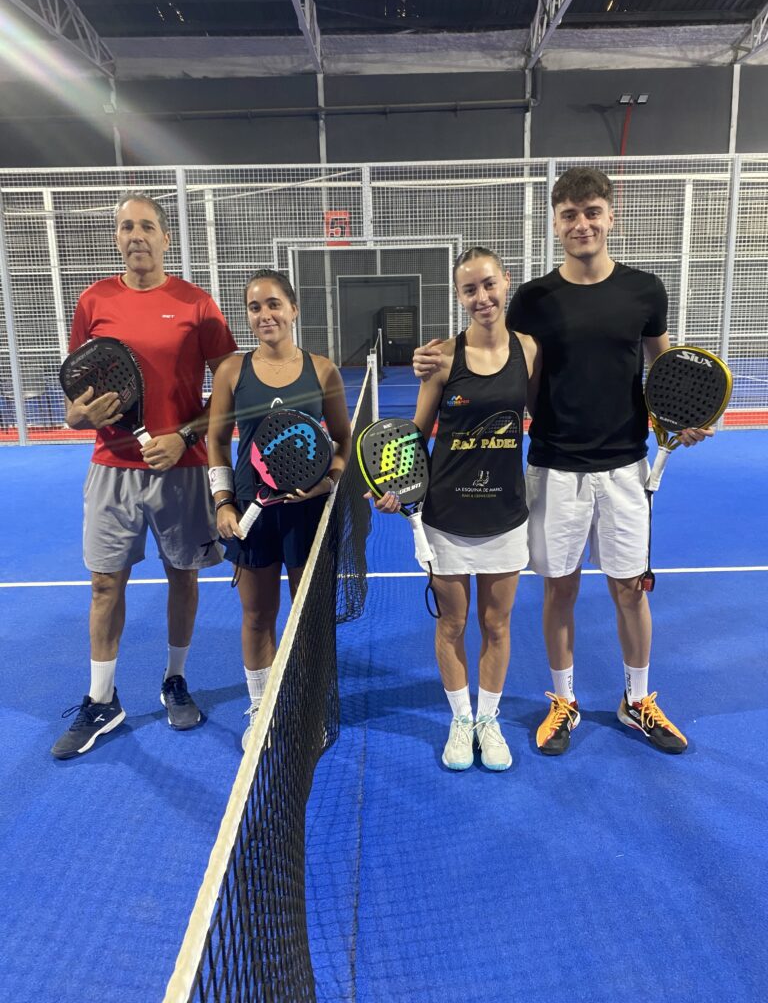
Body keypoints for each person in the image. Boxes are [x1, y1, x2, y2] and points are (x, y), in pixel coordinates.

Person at [415, 167, 712, 757]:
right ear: (555, 223)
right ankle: (564, 700)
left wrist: (680, 418)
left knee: (631, 590)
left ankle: (637, 700)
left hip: (625, 467)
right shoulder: (533, 300)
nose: (582, 224)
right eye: (570, 215)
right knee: (560, 590)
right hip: (553, 467)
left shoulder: (646, 291)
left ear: (611, 216)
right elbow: (493, 347)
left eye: (592, 212)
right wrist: (437, 357)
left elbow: (664, 368)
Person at [51, 192, 238, 760]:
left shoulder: (197, 304)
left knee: (184, 575)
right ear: (117, 238)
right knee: (104, 584)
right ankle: (101, 699)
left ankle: (175, 679)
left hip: (182, 469)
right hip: (112, 468)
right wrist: (77, 416)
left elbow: (228, 389)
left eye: (147, 226)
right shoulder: (94, 301)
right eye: (127, 227)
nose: (137, 235)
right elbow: (78, 392)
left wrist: (183, 436)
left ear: (165, 238)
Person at [371, 247, 540, 772]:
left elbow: (544, 415)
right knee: (452, 623)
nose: (482, 297)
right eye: (470, 289)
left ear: (506, 281)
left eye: (489, 284)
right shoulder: (443, 357)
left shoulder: (529, 349)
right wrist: (393, 485)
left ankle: (488, 720)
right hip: (445, 516)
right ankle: (461, 719)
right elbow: (417, 433)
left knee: (497, 625)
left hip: (506, 515)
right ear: (459, 295)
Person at [207, 269, 351, 750]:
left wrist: (326, 483)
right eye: (255, 307)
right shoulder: (232, 372)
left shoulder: (322, 370)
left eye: (273, 304)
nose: (264, 314)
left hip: (308, 514)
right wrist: (223, 501)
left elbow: (343, 440)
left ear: (293, 310)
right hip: (252, 511)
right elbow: (215, 441)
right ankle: (261, 708)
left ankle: (311, 706)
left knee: (308, 617)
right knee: (257, 615)